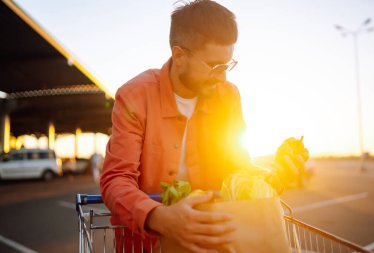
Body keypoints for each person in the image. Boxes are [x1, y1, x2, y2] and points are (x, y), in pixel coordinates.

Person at [100, 1, 308, 252]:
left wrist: (275, 173)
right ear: (179, 55)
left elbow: (236, 167)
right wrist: (160, 217)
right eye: (214, 66)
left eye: (228, 64)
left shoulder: (228, 96)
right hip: (146, 243)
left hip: (213, 239)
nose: (223, 77)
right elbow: (116, 179)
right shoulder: (134, 96)